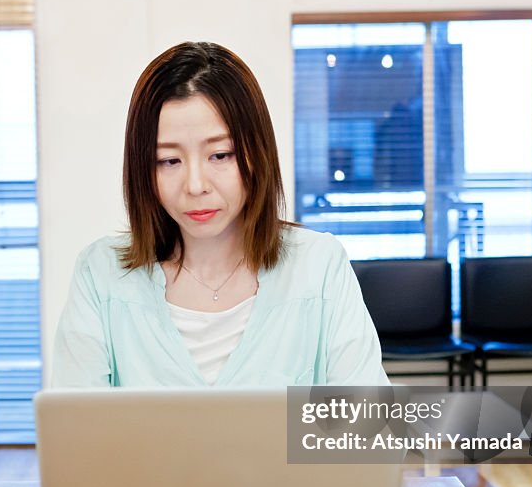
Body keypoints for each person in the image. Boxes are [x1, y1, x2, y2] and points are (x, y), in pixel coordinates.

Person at [53, 41, 388, 388]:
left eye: (221, 155)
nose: (196, 185)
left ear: (257, 154)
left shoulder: (319, 266)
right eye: (169, 161)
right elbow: (77, 434)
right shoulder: (100, 274)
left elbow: (367, 429)